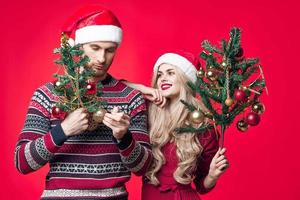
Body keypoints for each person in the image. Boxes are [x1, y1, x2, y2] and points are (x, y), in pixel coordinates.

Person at [14, 5, 152, 200]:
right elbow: (22, 162)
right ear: (77, 47)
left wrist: (124, 137)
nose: (102, 58)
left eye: (110, 50)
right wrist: (63, 130)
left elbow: (143, 167)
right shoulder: (47, 95)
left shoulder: (130, 97)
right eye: (95, 48)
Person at [123, 51, 229, 199]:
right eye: (159, 74)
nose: (163, 78)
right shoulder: (145, 109)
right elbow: (114, 87)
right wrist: (146, 89)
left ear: (186, 79)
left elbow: (202, 186)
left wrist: (212, 175)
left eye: (170, 73)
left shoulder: (202, 124)